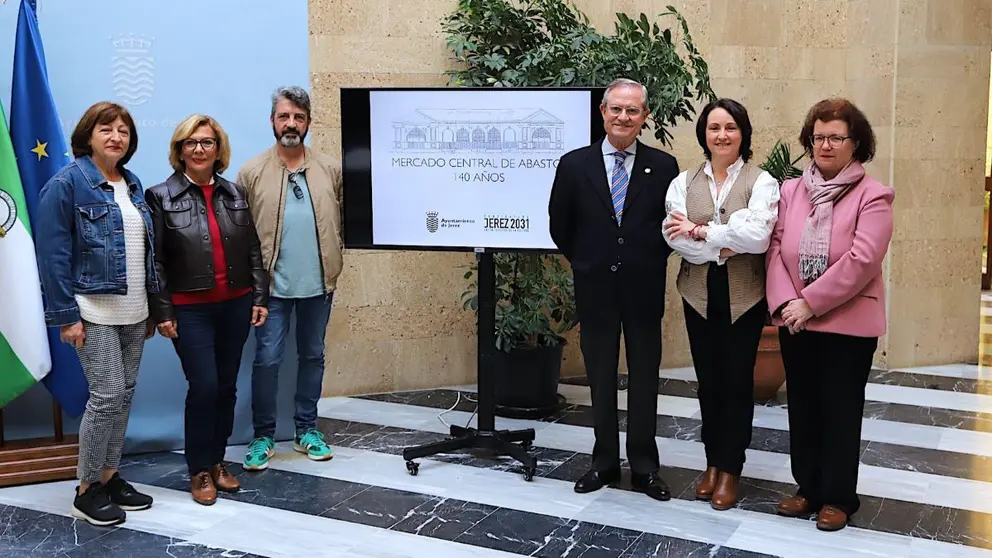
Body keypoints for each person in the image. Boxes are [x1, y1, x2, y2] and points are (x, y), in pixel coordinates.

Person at [765, 98, 894, 531]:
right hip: (796, 321)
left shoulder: (873, 195)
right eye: (818, 137)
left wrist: (810, 302)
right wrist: (786, 302)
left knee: (840, 409)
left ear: (856, 143)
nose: (825, 145)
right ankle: (809, 489)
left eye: (835, 137)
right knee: (802, 406)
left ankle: (838, 497)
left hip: (846, 324)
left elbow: (862, 260)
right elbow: (776, 248)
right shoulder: (791, 190)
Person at [548, 78, 679, 501]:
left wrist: (647, 260)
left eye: (633, 110)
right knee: (600, 377)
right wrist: (587, 262)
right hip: (595, 288)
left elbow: (669, 228)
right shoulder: (573, 164)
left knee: (644, 378)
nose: (624, 117)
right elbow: (560, 226)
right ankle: (603, 462)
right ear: (603, 112)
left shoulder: (664, 167)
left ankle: (644, 467)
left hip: (643, 288)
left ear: (644, 117)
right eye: (616, 109)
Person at [35, 101, 157, 526]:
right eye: (107, 128)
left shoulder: (132, 183)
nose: (116, 136)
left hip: (134, 311)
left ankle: (109, 476)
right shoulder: (66, 184)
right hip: (92, 311)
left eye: (123, 130)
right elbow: (53, 256)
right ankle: (86, 489)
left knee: (123, 397)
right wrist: (67, 316)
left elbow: (144, 254)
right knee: (105, 397)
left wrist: (153, 308)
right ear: (88, 135)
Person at [145, 114, 269, 506]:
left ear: (219, 150)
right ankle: (199, 468)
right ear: (179, 151)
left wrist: (259, 297)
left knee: (228, 387)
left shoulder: (235, 194)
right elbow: (156, 261)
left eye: (207, 142)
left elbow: (253, 250)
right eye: (190, 143)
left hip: (235, 304)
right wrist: (162, 310)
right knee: (206, 387)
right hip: (189, 309)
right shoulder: (160, 196)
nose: (199, 149)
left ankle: (217, 462)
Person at [663, 98, 779, 510]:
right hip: (698, 294)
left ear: (742, 133)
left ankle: (731, 468)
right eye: (714, 128)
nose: (722, 135)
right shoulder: (682, 182)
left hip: (743, 299)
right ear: (704, 134)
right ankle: (711, 462)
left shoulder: (761, 181)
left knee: (735, 384)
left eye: (730, 127)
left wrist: (701, 232)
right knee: (708, 383)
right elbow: (673, 238)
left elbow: (758, 237)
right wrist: (720, 242)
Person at [236, 86, 343, 470]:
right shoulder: (250, 173)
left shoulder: (330, 169)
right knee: (267, 360)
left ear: (309, 122)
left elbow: (341, 222)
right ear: (272, 121)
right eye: (284, 116)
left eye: (299, 117)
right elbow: (241, 233)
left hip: (319, 286)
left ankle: (306, 430)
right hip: (271, 291)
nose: (291, 124)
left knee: (313, 356)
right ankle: (263, 436)